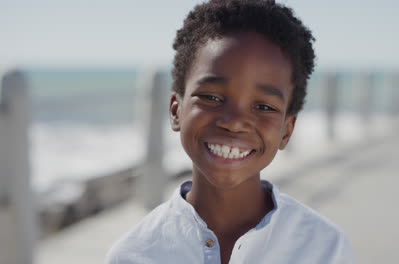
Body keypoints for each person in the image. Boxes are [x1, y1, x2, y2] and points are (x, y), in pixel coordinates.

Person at [106, 0, 354, 263]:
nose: (235, 122)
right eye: (211, 97)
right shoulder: (134, 254)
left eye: (263, 106)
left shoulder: (324, 249)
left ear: (286, 131)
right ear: (176, 111)